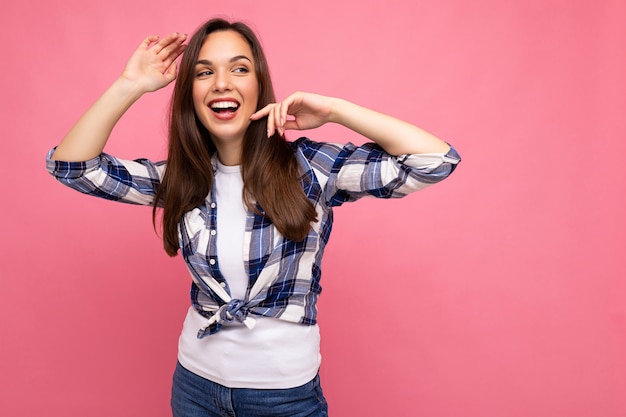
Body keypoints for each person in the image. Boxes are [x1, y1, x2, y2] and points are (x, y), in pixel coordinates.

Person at [46, 17, 461, 417]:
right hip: (194, 387)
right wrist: (129, 85)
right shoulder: (180, 180)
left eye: (239, 69)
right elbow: (73, 168)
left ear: (259, 86)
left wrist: (335, 110)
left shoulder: (311, 168)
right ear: (190, 92)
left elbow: (434, 162)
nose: (222, 83)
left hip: (285, 397)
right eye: (204, 72)